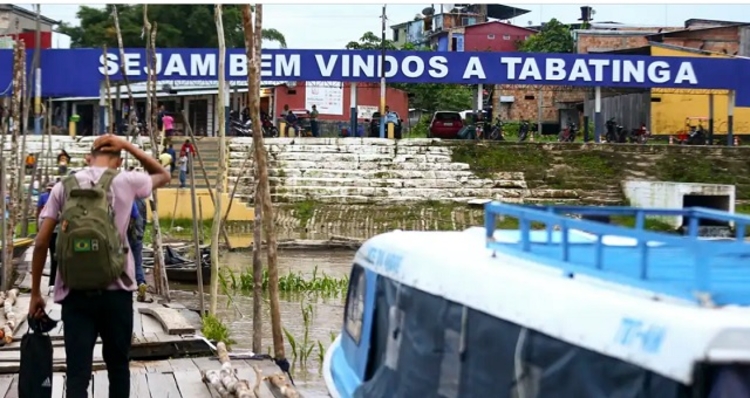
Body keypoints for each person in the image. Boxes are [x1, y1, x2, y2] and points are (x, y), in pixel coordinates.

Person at [28, 134, 171, 398]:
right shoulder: (126, 180)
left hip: (74, 292)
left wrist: (36, 293)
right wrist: (127, 145)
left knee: (77, 374)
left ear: (88, 158)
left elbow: (40, 243)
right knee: (118, 367)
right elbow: (163, 174)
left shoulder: (64, 186)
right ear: (119, 160)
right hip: (117, 292)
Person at [128, 197, 148, 302]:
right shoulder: (142, 201)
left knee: (125, 265)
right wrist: (141, 233)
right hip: (138, 236)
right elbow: (144, 220)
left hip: (127, 237)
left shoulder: (125, 197)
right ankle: (141, 283)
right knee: (137, 264)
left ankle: (128, 290)